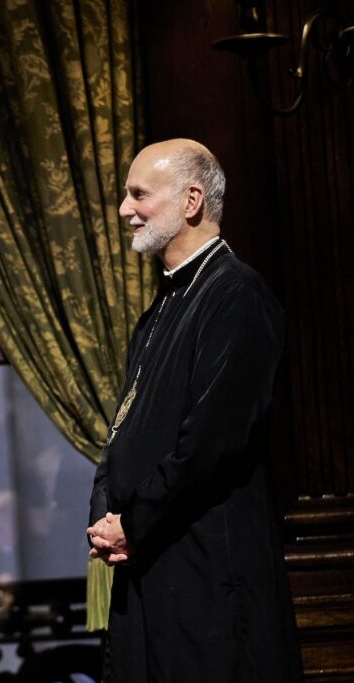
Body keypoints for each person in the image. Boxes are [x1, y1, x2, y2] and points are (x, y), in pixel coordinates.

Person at [86, 140, 302, 681]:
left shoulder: (235, 295)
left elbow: (209, 442)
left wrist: (133, 522)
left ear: (191, 200)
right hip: (156, 568)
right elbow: (131, 427)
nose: (124, 209)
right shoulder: (165, 305)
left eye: (139, 194)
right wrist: (109, 511)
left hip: (208, 577)